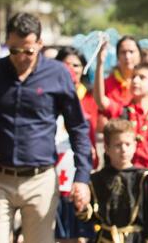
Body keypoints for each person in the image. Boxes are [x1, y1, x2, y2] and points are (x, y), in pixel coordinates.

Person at [0, 12, 92, 243]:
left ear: (40, 44)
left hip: (40, 180)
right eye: (14, 50)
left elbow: (78, 128)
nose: (21, 57)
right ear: (7, 43)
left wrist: (82, 177)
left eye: (28, 51)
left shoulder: (58, 74)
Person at [95, 42, 148, 183]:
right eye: (134, 77)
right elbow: (101, 101)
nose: (135, 81)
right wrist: (100, 64)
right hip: (122, 180)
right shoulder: (122, 111)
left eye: (142, 78)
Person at [78, 119, 148, 243]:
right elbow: (91, 217)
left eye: (127, 144)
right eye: (118, 145)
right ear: (106, 148)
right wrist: (81, 207)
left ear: (135, 146)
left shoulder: (143, 177)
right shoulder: (97, 179)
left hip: (134, 239)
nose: (123, 149)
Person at [54, 47, 97, 243]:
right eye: (66, 64)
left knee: (79, 234)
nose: (71, 69)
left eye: (76, 65)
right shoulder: (50, 97)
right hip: (54, 172)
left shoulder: (89, 99)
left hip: (80, 170)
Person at [103, 36, 148, 117]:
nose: (127, 56)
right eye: (123, 52)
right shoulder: (107, 84)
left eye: (131, 52)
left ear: (139, 55)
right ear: (117, 56)